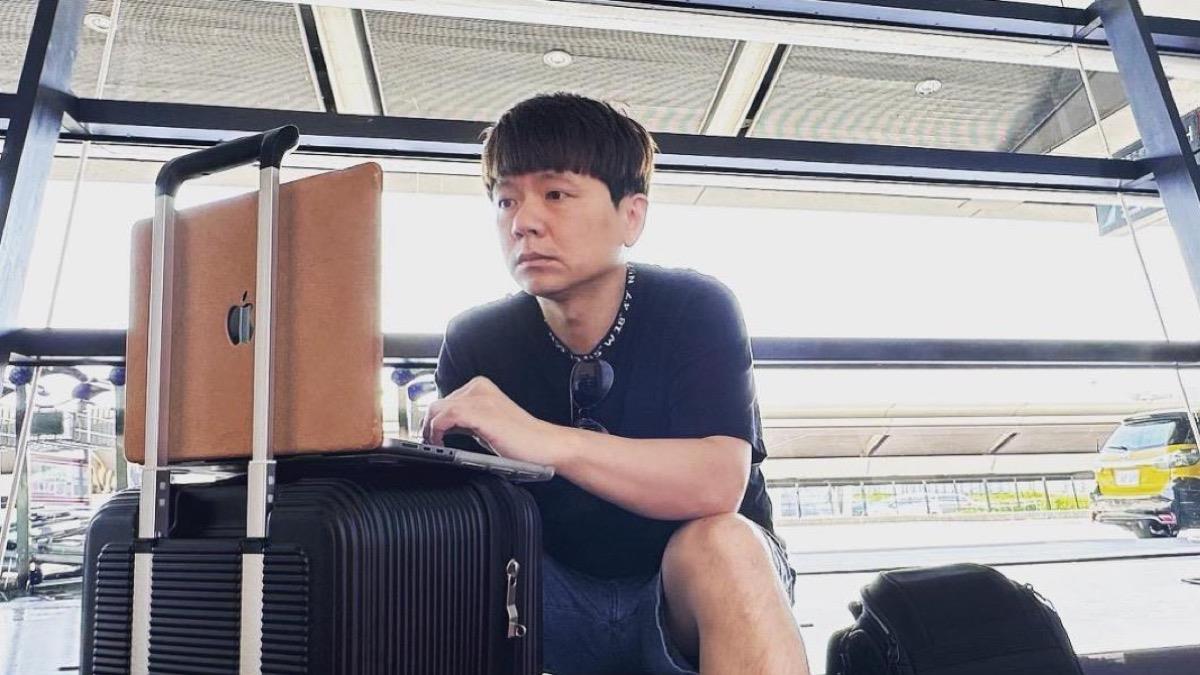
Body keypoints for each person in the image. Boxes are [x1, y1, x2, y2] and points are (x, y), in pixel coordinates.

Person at [423, 92, 810, 675]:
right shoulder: (475, 339)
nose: (524, 222)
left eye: (556, 194)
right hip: (552, 594)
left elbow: (716, 485)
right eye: (506, 200)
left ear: (632, 215)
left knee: (722, 543)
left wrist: (545, 440)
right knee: (440, 555)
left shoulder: (694, 306)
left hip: (685, 592)